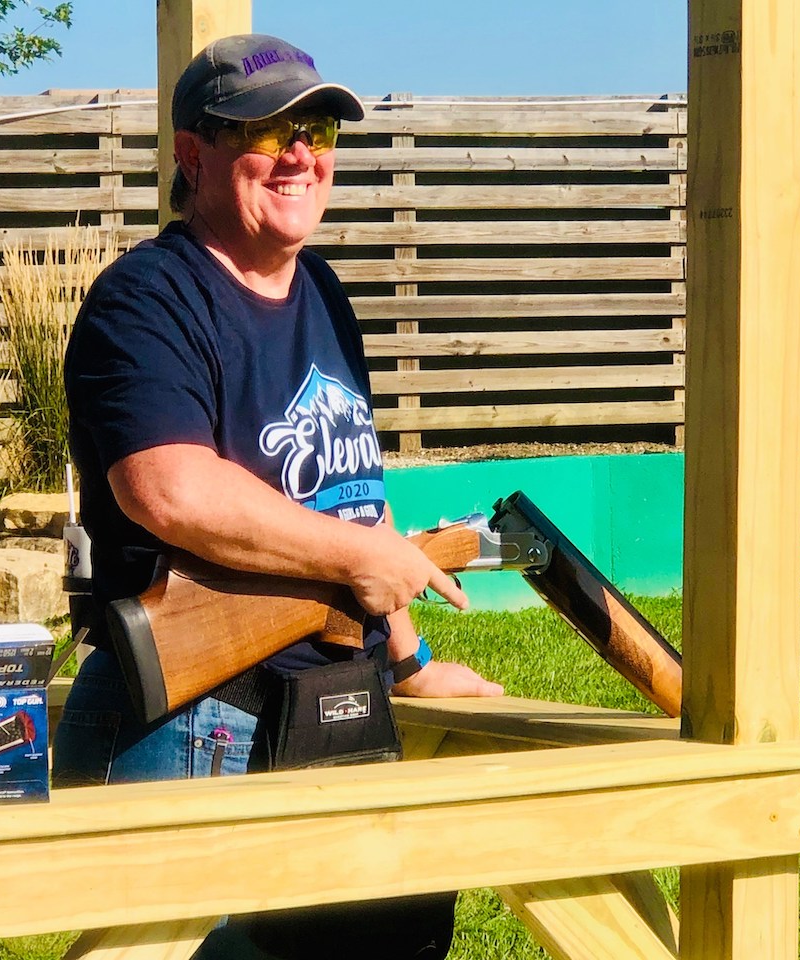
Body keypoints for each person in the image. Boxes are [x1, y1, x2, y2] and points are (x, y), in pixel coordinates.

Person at [54, 33, 502, 960]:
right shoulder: (145, 300)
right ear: (193, 153)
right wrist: (363, 558)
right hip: (193, 722)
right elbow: (169, 489)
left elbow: (353, 499)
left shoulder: (324, 292)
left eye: (319, 124)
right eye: (270, 128)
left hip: (334, 701)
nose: (303, 152)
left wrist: (412, 662)